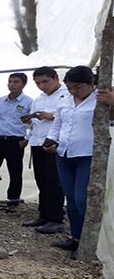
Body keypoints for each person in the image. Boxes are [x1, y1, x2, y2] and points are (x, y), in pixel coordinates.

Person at [46, 66, 97, 257]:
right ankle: (75, 237)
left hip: (87, 155)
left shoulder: (100, 98)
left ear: (91, 83)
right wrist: (51, 140)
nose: (74, 91)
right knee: (71, 199)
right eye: (70, 87)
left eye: (78, 87)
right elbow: (58, 124)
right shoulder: (64, 100)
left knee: (82, 198)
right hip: (64, 154)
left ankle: (88, 241)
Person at [21, 67, 68, 233]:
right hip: (37, 141)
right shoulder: (38, 99)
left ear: (55, 77)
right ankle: (44, 215)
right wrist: (29, 120)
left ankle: (56, 218)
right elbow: (34, 123)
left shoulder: (67, 94)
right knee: (41, 179)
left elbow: (69, 116)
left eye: (45, 81)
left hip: (55, 142)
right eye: (38, 83)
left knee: (53, 180)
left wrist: (51, 115)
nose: (42, 86)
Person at [0, 73, 33, 212]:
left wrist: (26, 140)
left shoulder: (28, 102)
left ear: (23, 84)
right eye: (10, 81)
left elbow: (32, 123)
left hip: (15, 141)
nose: (12, 84)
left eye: (16, 81)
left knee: (15, 172)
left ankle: (13, 202)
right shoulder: (0, 101)